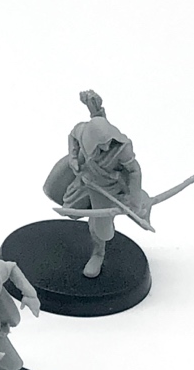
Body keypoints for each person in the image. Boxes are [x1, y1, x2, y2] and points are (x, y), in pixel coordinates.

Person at [43, 89, 144, 278]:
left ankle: (98, 253)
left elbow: (134, 171)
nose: (106, 147)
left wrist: (135, 198)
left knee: (100, 227)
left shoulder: (122, 149)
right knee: (69, 207)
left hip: (106, 187)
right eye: (100, 144)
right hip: (86, 180)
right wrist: (73, 157)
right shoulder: (83, 132)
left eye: (108, 143)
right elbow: (73, 136)